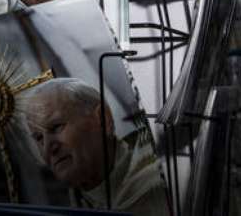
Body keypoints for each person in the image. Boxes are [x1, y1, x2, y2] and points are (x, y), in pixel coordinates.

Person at [23, 78, 169, 215]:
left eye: (56, 127)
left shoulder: (168, 184)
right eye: (39, 138)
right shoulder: (55, 207)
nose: (48, 148)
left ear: (103, 119)